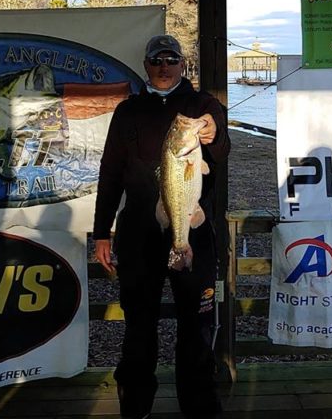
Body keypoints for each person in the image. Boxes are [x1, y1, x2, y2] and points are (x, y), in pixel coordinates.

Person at [93, 34, 231, 419]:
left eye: (171, 60)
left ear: (182, 64)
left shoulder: (203, 104)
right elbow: (110, 173)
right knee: (139, 324)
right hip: (139, 232)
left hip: (193, 232)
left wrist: (210, 131)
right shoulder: (128, 111)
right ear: (146, 65)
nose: (164, 67)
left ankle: (200, 408)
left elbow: (220, 146)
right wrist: (102, 232)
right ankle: (135, 406)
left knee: (197, 325)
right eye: (157, 60)